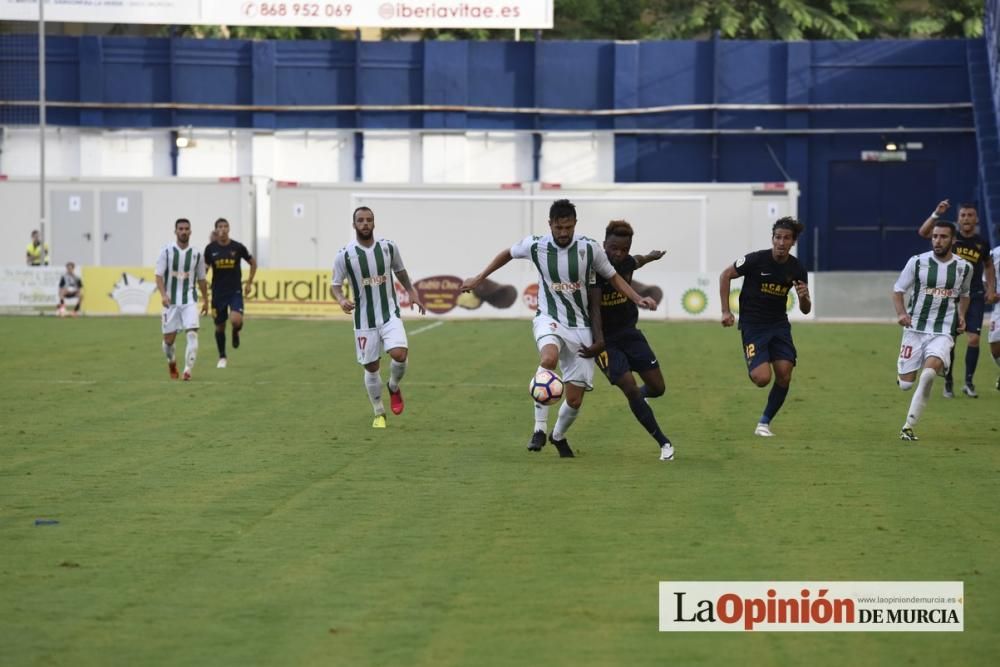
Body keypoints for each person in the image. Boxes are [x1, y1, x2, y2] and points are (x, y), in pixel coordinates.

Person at [461, 199, 658, 458]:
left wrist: (637, 298)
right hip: (549, 318)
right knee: (549, 358)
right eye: (558, 227)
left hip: (581, 327)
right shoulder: (536, 245)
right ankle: (539, 429)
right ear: (550, 225)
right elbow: (507, 253)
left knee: (574, 400)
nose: (563, 232)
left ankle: (557, 435)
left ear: (575, 224)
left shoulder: (589, 249)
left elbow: (613, 277)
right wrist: (479, 277)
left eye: (568, 227)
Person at [579, 220, 674, 461]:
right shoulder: (595, 271)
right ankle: (664, 443)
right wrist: (599, 342)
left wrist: (652, 256)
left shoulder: (628, 262)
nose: (618, 254)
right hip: (604, 340)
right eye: (613, 248)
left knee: (658, 388)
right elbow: (595, 310)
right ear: (604, 245)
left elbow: (637, 260)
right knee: (629, 386)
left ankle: (637, 400)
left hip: (629, 333)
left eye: (624, 249)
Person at [331, 206, 426, 428]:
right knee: (371, 367)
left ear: (374, 223)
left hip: (389, 312)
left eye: (369, 220)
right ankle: (379, 412)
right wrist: (342, 300)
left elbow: (400, 270)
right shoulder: (344, 254)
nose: (365, 223)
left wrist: (412, 292)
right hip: (364, 320)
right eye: (361, 220)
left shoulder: (388, 247)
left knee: (399, 354)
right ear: (354, 225)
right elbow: (335, 285)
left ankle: (393, 386)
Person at [719, 217, 811, 437]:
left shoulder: (797, 269)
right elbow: (725, 275)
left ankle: (764, 423)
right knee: (762, 379)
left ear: (793, 242)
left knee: (785, 374)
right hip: (753, 325)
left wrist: (805, 298)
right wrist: (725, 311)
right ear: (772, 239)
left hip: (779, 325)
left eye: (786, 238)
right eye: (778, 237)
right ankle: (757, 359)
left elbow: (806, 309)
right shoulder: (755, 260)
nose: (781, 242)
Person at [893, 220, 972, 441]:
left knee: (928, 375)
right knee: (906, 385)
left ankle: (908, 426)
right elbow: (898, 290)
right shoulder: (917, 262)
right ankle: (906, 373)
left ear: (953, 240)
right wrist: (901, 313)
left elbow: (965, 295)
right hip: (915, 329)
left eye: (943, 237)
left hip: (943, 330)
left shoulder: (964, 268)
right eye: (935, 236)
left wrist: (962, 316)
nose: (937, 241)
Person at [918, 200, 996, 397]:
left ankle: (968, 382)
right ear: (958, 218)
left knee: (974, 338)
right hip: (951, 297)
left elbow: (988, 265)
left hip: (975, 295)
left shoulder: (982, 243)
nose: (966, 218)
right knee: (949, 340)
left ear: (976, 219)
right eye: (963, 215)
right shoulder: (951, 237)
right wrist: (936, 213)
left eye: (970, 215)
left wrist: (991, 289)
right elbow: (924, 232)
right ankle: (949, 381)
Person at [154, 218, 207, 381]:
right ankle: (171, 362)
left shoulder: (197, 253)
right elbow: (159, 275)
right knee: (168, 342)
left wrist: (206, 299)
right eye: (181, 229)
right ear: (175, 231)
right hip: (171, 301)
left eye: (186, 229)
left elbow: (201, 278)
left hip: (189, 299)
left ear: (190, 231)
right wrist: (163, 295)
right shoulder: (167, 251)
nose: (184, 231)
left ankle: (187, 371)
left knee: (192, 333)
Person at [204, 217, 256, 369]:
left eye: (225, 226)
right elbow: (205, 269)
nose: (223, 229)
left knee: (236, 321)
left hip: (235, 291)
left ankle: (235, 332)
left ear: (229, 229)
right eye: (220, 226)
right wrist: (198, 278)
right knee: (219, 327)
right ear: (216, 230)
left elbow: (253, 262)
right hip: (217, 293)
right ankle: (222, 356)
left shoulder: (238, 247)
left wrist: (249, 282)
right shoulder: (210, 249)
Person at [989, 244, 1000, 390]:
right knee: (995, 346)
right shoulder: (994, 254)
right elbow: (986, 278)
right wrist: (990, 292)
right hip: (999, 306)